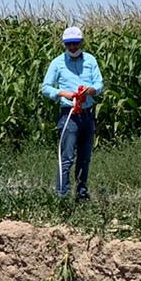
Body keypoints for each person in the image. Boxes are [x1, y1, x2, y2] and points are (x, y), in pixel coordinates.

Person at [39, 25, 105, 199]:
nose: (73, 47)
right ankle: (62, 195)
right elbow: (46, 87)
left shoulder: (90, 60)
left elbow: (99, 83)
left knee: (85, 158)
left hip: (87, 114)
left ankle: (82, 194)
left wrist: (92, 90)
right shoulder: (57, 63)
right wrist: (62, 93)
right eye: (69, 44)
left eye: (76, 43)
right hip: (69, 115)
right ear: (64, 44)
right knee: (67, 157)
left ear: (81, 42)